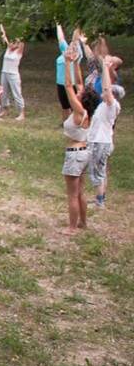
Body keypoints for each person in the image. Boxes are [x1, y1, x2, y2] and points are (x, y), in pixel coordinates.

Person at [60, 47, 98, 234]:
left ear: (82, 100)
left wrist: (67, 62)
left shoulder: (79, 112)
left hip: (75, 155)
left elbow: (68, 86)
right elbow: (80, 83)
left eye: (80, 93)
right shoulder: (88, 112)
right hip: (85, 153)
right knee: (81, 191)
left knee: (72, 194)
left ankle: (72, 227)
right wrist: (75, 63)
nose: (79, 91)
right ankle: (83, 222)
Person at [86, 48, 123, 210]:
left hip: (101, 143)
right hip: (101, 141)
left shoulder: (111, 105)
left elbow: (107, 88)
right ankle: (100, 198)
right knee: (100, 171)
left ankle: (100, 201)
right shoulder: (106, 105)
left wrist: (106, 67)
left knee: (98, 174)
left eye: (108, 92)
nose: (103, 93)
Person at [0, 24, 26, 121]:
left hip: (13, 75)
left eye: (15, 42)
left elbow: (22, 41)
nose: (12, 43)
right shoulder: (8, 49)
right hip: (4, 73)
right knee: (4, 93)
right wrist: (1, 25)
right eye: (12, 41)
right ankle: (5, 109)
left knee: (17, 93)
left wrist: (22, 31)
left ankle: (22, 113)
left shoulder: (18, 52)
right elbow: (3, 35)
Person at [55, 23, 83, 116]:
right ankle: (65, 124)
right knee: (64, 106)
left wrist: (78, 25)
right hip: (60, 83)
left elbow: (75, 39)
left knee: (73, 104)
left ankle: (74, 123)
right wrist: (58, 24)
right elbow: (61, 38)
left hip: (72, 83)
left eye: (73, 44)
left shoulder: (76, 54)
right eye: (70, 44)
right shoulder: (65, 50)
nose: (71, 44)